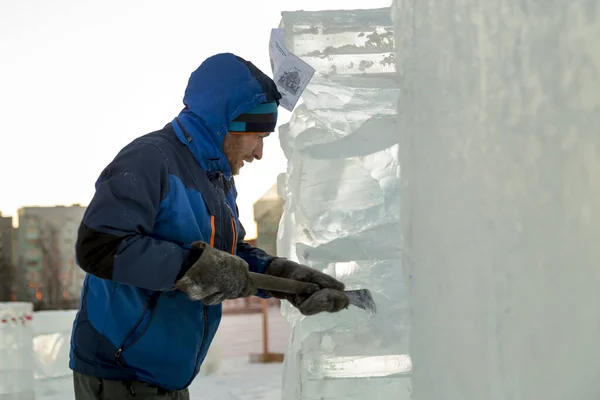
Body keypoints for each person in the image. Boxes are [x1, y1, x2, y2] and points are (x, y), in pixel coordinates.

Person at [68, 53, 349, 400]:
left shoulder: (216, 178)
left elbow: (229, 257)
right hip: (120, 375)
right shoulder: (150, 159)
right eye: (257, 136)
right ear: (225, 122)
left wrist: (287, 278)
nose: (259, 153)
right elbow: (99, 246)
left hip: (168, 380)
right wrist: (193, 269)